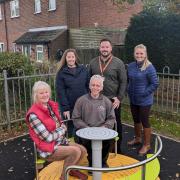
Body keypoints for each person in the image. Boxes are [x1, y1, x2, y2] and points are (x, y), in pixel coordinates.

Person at [26, 81, 88, 180]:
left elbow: (59, 123)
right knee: (75, 151)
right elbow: (48, 138)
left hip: (59, 141)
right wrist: (62, 130)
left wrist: (61, 128)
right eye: (41, 93)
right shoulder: (33, 115)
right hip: (47, 148)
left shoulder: (50, 106)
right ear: (35, 95)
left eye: (46, 92)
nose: (45, 95)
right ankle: (64, 177)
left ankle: (72, 170)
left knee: (83, 150)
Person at [89, 38, 127, 153]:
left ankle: (117, 149)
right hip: (97, 99)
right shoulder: (93, 62)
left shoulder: (118, 62)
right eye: (102, 47)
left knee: (116, 124)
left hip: (112, 100)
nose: (104, 49)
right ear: (99, 48)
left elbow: (124, 81)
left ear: (111, 48)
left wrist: (119, 98)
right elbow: (88, 80)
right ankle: (101, 149)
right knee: (98, 123)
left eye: (107, 47)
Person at [72, 75, 115, 169]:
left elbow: (111, 118)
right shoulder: (81, 101)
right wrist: (87, 129)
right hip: (85, 131)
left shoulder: (106, 101)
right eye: (93, 85)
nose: (95, 87)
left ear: (102, 87)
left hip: (101, 130)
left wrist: (105, 128)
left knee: (109, 140)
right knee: (88, 142)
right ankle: (92, 164)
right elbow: (76, 118)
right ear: (89, 86)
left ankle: (103, 163)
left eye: (98, 85)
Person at [127, 44, 158, 155]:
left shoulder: (149, 67)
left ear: (145, 54)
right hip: (133, 98)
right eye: (137, 53)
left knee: (144, 121)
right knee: (136, 119)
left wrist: (144, 93)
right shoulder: (130, 66)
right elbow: (128, 80)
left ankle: (147, 144)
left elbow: (155, 83)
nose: (139, 55)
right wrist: (128, 89)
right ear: (134, 54)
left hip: (145, 100)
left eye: (141, 53)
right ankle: (138, 138)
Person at [56, 49, 89, 137]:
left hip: (83, 105)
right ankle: (71, 148)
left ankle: (82, 147)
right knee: (70, 129)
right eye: (69, 57)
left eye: (72, 57)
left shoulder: (83, 70)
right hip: (68, 106)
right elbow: (60, 91)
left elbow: (88, 86)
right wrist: (65, 108)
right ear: (65, 58)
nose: (71, 59)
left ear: (75, 58)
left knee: (83, 127)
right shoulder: (61, 73)